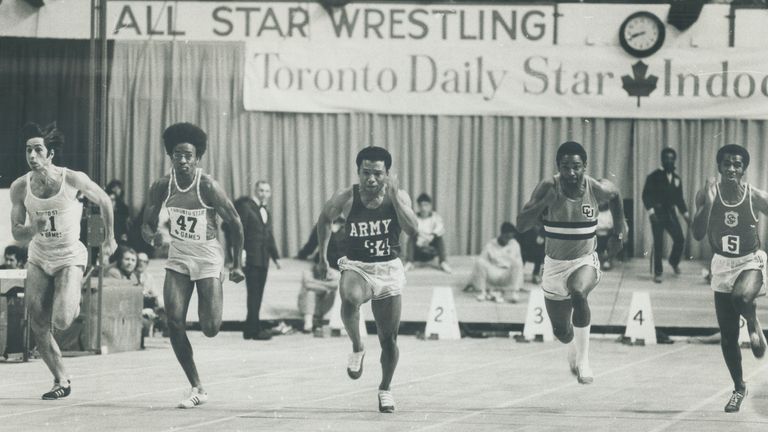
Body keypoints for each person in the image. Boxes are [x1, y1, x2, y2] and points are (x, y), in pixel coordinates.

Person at [8, 122, 117, 400]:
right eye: (28, 150)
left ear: (50, 154)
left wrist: (109, 238)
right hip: (40, 256)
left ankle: (71, 294)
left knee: (63, 319)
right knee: (37, 322)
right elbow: (17, 233)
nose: (32, 156)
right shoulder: (20, 187)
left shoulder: (71, 179)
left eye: (37, 150)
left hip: (69, 256)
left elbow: (104, 199)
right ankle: (61, 378)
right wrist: (34, 229)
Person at [141, 122, 245, 409]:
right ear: (170, 156)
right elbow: (146, 226)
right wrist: (152, 239)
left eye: (188, 155)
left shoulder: (207, 185)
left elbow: (235, 222)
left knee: (211, 327)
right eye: (178, 155)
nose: (183, 161)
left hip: (208, 256)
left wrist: (236, 263)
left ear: (197, 157)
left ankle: (217, 281)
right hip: (179, 256)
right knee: (173, 321)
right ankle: (196, 385)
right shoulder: (162, 186)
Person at [316, 146, 418, 413]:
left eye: (377, 174)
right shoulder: (347, 197)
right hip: (358, 266)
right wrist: (322, 256)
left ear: (387, 174)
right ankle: (358, 346)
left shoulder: (398, 195)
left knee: (389, 340)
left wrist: (395, 198)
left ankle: (385, 388)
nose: (371, 179)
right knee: (349, 297)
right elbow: (324, 219)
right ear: (358, 172)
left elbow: (413, 229)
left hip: (387, 269)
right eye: (366, 173)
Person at [517, 141, 626, 385]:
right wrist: (544, 204)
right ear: (559, 168)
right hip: (554, 265)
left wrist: (620, 230)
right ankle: (574, 346)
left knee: (578, 293)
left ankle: (584, 361)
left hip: (584, 260)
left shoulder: (594, 188)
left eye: (577, 167)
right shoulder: (547, 186)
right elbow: (521, 224)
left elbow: (616, 194)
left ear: (585, 166)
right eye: (565, 168)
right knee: (562, 333)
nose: (571, 174)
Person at [691, 144, 768, 413]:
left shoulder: (755, 196)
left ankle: (753, 321)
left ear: (744, 169)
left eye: (737, 164)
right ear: (719, 167)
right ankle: (739, 387)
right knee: (727, 338)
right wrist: (709, 204)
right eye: (727, 164)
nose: (732, 169)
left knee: (741, 297)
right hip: (722, 265)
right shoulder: (707, 194)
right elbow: (697, 234)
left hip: (750, 261)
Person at [235, 180, 281, 341]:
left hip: (264, 259)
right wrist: (240, 254)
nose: (264, 194)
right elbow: (238, 231)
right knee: (253, 295)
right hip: (252, 258)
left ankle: (250, 329)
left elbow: (268, 236)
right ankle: (254, 330)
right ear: (255, 190)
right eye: (261, 190)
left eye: (267, 191)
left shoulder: (265, 210)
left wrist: (276, 257)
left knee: (258, 295)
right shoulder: (246, 207)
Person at [642, 148, 692, 283]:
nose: (669, 161)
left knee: (680, 239)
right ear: (662, 159)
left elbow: (679, 199)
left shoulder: (677, 179)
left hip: (671, 214)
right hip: (657, 214)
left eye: (671, 158)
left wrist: (686, 216)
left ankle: (673, 261)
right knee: (658, 243)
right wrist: (651, 212)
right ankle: (658, 273)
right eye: (666, 158)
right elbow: (646, 196)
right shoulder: (653, 176)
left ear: (674, 160)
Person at [467, 222, 524, 303]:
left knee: (518, 263)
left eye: (510, 237)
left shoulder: (515, 244)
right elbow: (480, 262)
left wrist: (520, 285)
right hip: (493, 272)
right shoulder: (490, 244)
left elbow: (519, 266)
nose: (508, 239)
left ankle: (514, 293)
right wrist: (471, 282)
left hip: (507, 274)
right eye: (507, 237)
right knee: (479, 261)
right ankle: (482, 292)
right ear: (502, 234)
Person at [403, 193, 451, 273]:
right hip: (418, 249)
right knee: (411, 236)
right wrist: (423, 238)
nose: (423, 208)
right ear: (418, 206)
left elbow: (440, 228)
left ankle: (443, 262)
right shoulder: (414, 217)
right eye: (421, 205)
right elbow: (413, 229)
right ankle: (409, 262)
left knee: (439, 237)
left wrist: (432, 236)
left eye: (426, 205)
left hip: (431, 248)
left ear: (430, 206)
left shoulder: (435, 217)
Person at [298, 262, 339, 333]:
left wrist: (315, 282)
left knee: (335, 293)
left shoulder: (331, 272)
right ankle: (308, 323)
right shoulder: (307, 272)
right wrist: (328, 286)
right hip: (306, 306)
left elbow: (337, 285)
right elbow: (308, 285)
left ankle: (338, 321)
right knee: (310, 292)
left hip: (321, 306)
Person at [106, 179, 131, 245]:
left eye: (118, 188)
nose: (116, 190)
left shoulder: (124, 208)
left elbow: (125, 225)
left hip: (120, 237)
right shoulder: (104, 207)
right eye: (114, 188)